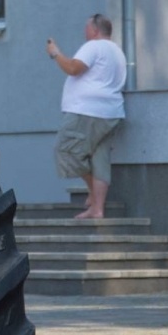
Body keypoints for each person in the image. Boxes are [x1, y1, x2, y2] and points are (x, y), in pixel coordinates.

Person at [46, 14, 128, 220]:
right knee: (99, 158)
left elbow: (73, 68)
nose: (85, 31)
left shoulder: (94, 46)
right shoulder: (117, 52)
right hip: (111, 113)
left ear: (95, 30)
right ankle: (97, 210)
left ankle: (93, 194)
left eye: (86, 27)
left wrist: (56, 53)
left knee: (65, 151)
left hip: (87, 112)